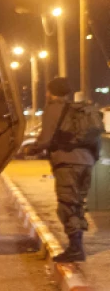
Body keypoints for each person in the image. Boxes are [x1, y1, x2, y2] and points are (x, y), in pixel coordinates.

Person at [34, 77, 96, 263]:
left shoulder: (54, 109)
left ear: (50, 92)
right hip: (86, 162)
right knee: (78, 203)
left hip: (66, 162)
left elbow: (45, 138)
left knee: (67, 205)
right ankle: (77, 245)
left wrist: (32, 148)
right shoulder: (81, 110)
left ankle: (75, 249)